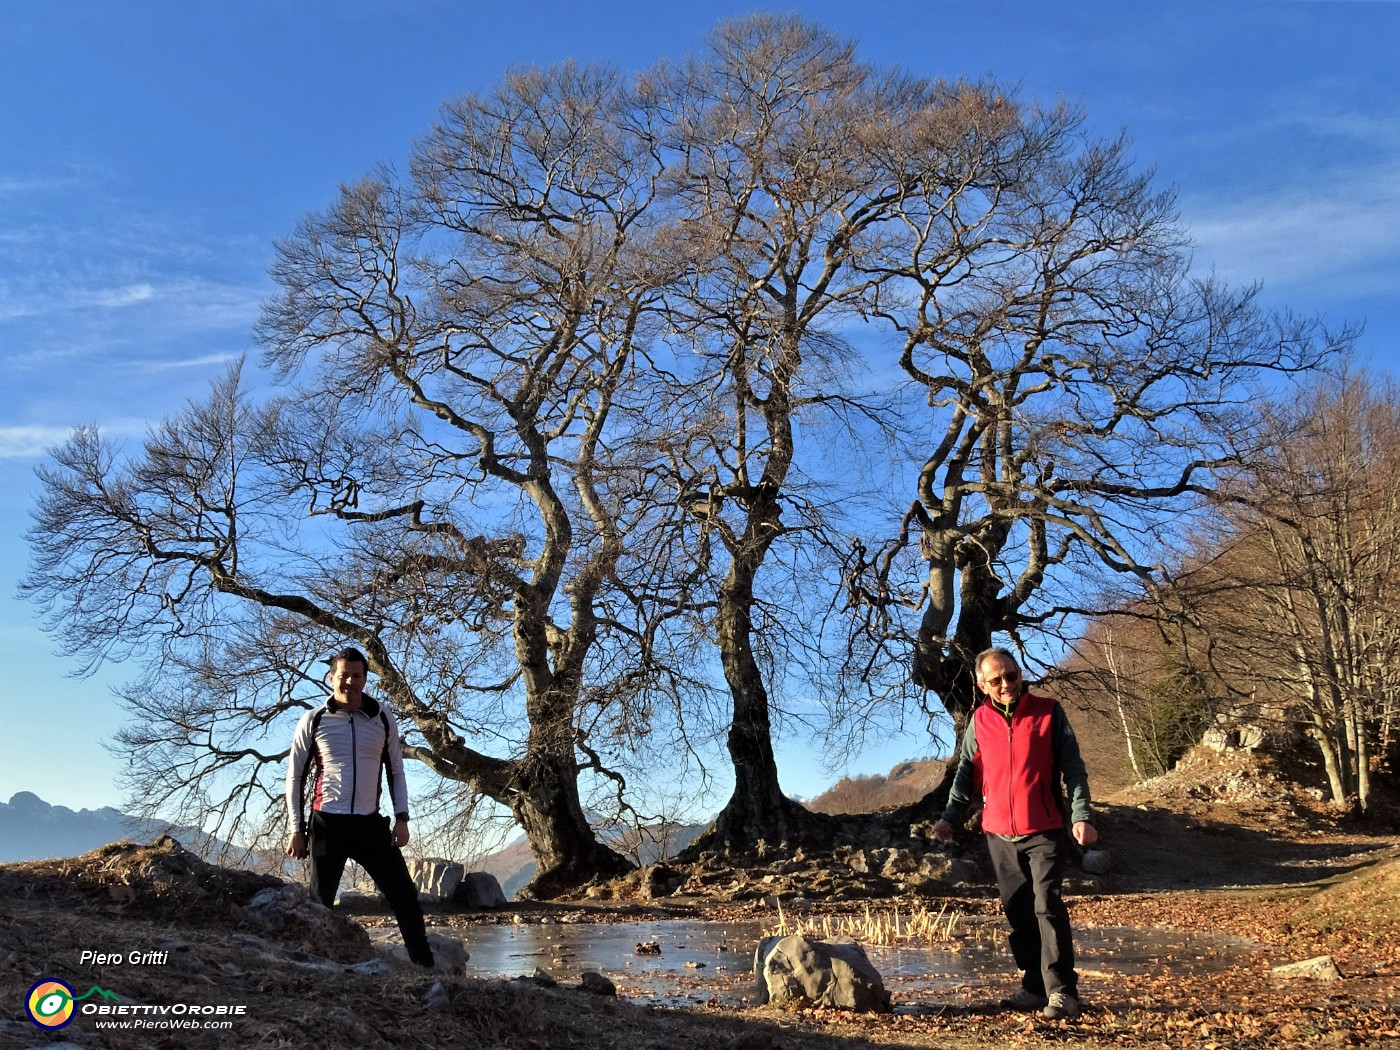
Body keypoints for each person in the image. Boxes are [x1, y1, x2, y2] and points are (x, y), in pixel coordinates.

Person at [933, 646, 1097, 1020]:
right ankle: (1034, 987)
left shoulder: (1049, 712)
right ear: (982, 684)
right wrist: (949, 816)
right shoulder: (978, 721)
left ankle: (1062, 992)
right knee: (1020, 911)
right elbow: (965, 772)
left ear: (1019, 674)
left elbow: (1074, 768)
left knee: (1047, 906)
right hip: (998, 833)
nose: (1006, 684)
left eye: (1011, 675)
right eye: (997, 679)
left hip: (1045, 828)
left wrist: (1081, 815)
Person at [286, 646, 435, 967]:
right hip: (327, 824)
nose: (349, 682)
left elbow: (396, 770)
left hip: (370, 825)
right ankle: (315, 970)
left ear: (365, 679)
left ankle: (426, 969)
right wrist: (297, 829)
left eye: (356, 676)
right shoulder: (313, 720)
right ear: (331, 678)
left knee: (405, 897)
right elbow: (295, 777)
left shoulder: (382, 717)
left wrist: (402, 818)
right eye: (343, 676)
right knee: (319, 906)